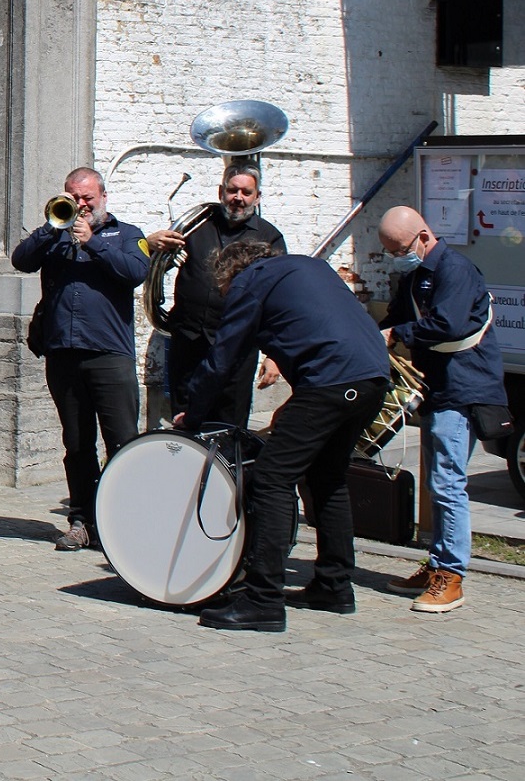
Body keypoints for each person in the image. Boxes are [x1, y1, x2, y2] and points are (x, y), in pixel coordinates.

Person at [179, 242, 390, 632]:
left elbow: (224, 357)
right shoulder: (309, 268)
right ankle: (334, 587)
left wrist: (192, 415)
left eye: (224, 289)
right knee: (328, 479)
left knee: (273, 478)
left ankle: (263, 600)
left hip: (332, 381)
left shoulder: (250, 281)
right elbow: (319, 328)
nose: (228, 295)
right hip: (373, 378)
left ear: (230, 274)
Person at [11, 167, 149, 551]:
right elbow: (21, 260)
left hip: (109, 355)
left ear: (103, 196)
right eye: (74, 196)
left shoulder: (127, 235)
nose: (81, 205)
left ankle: (124, 519)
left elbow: (135, 272)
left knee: (122, 441)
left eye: (87, 198)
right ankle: (82, 520)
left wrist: (93, 243)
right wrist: (50, 227)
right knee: (77, 444)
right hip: (64, 355)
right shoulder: (56, 234)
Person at [376, 205, 504, 613]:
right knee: (438, 483)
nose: (397, 257)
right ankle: (436, 565)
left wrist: (397, 333)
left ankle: (451, 575)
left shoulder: (456, 271)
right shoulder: (416, 274)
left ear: (424, 237)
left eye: (399, 248)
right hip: (436, 387)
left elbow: (448, 325)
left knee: (448, 483)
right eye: (390, 252)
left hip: (462, 388)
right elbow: (395, 316)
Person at [146, 163, 286, 430]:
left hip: (237, 348)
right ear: (221, 191)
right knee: (183, 420)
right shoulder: (196, 225)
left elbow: (278, 301)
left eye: (247, 192)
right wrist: (152, 244)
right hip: (188, 342)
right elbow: (159, 261)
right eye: (232, 190)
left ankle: (226, 472)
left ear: (257, 197)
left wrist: (274, 354)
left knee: (228, 424)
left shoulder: (270, 237)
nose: (238, 198)